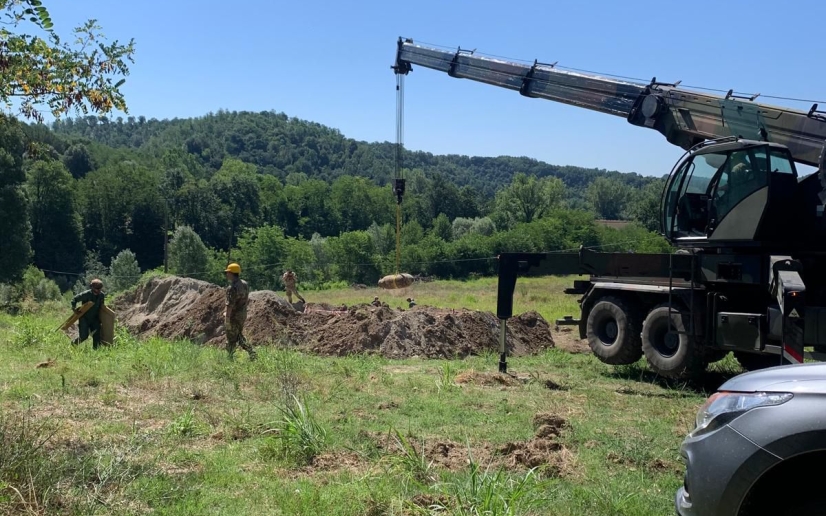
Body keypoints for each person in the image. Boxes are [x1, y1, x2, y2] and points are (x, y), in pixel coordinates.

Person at [224, 263, 256, 361]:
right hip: (242, 314)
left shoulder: (232, 288)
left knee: (231, 338)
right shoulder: (244, 284)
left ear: (231, 273)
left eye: (227, 272)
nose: (226, 275)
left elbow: (229, 305)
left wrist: (227, 320)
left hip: (234, 315)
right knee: (238, 336)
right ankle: (252, 353)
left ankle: (230, 359)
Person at [71, 278, 106, 349]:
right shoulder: (86, 294)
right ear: (92, 287)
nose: (98, 290)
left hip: (95, 318)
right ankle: (74, 344)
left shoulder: (101, 295)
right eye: (97, 288)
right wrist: (74, 308)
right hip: (84, 318)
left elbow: (102, 307)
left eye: (100, 288)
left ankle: (96, 351)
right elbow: (74, 299)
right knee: (84, 336)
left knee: (97, 335)